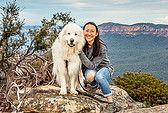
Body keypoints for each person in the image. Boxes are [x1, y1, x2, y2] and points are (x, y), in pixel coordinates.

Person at [78, 21, 116, 112]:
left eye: (92, 31)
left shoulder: (101, 47)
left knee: (99, 76)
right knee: (90, 76)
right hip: (91, 69)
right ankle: (94, 86)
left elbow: (92, 65)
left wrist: (80, 52)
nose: (89, 34)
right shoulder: (82, 44)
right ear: (83, 32)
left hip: (104, 68)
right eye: (87, 31)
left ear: (96, 34)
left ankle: (111, 103)